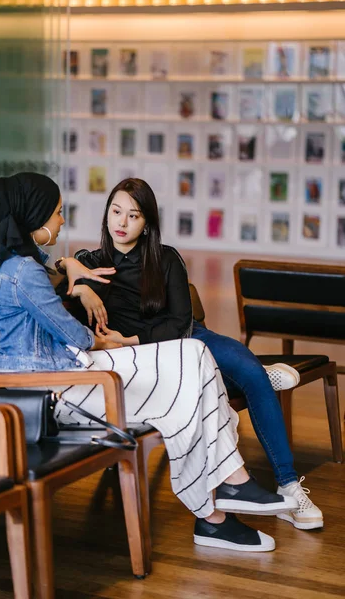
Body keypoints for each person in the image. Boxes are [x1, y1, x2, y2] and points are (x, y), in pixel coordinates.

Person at [0, 172, 299, 555]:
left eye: (133, 215)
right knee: (190, 384)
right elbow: (77, 336)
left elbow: (47, 277)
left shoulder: (8, 259)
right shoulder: (23, 271)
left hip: (69, 372)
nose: (62, 221)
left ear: (147, 223)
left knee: (195, 354)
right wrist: (86, 298)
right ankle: (216, 511)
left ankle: (229, 489)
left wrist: (70, 271)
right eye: (59, 213)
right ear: (36, 216)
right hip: (51, 389)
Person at [64, 177, 323, 532]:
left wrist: (131, 340)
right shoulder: (91, 263)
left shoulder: (167, 258)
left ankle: (289, 485)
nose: (121, 223)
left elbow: (179, 323)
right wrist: (72, 270)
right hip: (150, 360)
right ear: (107, 214)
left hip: (187, 338)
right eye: (116, 212)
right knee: (239, 378)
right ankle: (249, 379)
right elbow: (49, 270)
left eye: (133, 215)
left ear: (147, 222)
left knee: (251, 373)